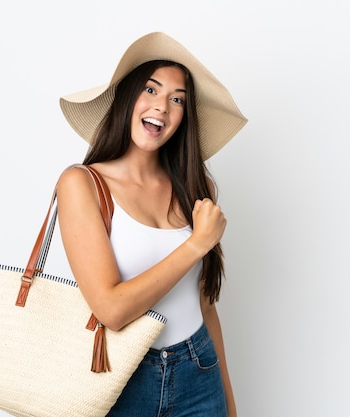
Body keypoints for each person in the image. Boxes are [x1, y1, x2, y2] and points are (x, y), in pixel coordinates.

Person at [54, 32, 247, 417]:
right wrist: (196, 244)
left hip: (199, 370)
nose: (163, 106)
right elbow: (111, 309)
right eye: (151, 90)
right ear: (128, 98)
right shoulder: (83, 184)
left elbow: (205, 305)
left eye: (177, 99)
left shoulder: (195, 187)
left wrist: (228, 401)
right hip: (122, 380)